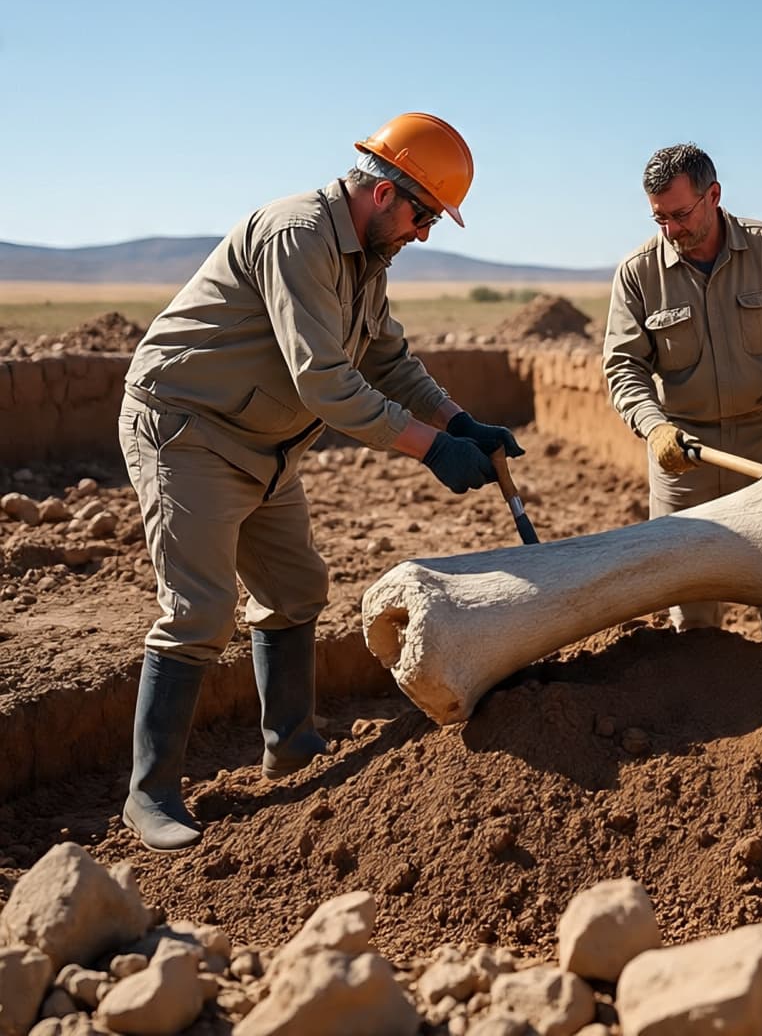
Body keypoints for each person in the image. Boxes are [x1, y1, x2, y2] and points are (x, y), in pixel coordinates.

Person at [118, 112, 524, 851]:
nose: (423, 234)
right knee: (199, 611)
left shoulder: (368, 260)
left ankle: (290, 744)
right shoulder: (297, 234)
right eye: (425, 216)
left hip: (264, 445)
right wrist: (431, 449)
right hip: (188, 431)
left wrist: (460, 422)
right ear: (384, 193)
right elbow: (326, 382)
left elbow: (389, 362)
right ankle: (149, 796)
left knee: (297, 588)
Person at [603, 142, 762, 658]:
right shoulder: (639, 273)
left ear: (714, 196)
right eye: (660, 218)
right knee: (692, 610)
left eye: (681, 215)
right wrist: (655, 427)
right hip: (686, 456)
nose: (671, 230)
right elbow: (623, 366)